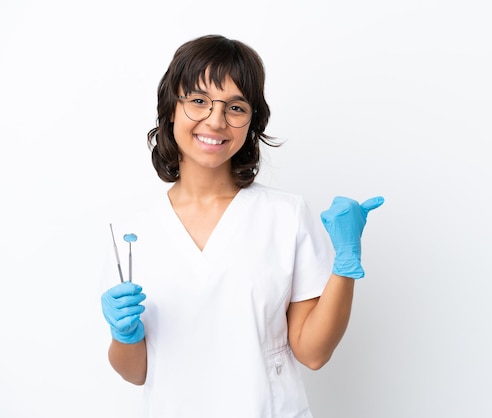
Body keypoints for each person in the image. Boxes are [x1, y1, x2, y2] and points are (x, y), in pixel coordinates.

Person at [100, 34, 384, 417]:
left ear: (251, 121)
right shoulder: (132, 235)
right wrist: (125, 335)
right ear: (171, 108)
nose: (216, 121)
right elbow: (135, 372)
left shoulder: (285, 215)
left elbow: (312, 353)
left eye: (235, 107)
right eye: (198, 100)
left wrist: (344, 264)